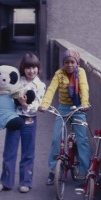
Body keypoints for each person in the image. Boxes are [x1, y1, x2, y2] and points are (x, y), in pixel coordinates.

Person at [0, 53, 46, 193]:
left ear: (38, 68)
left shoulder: (40, 85)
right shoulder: (16, 81)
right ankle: (6, 182)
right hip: (14, 119)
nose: (31, 70)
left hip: (30, 120)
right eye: (28, 67)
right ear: (23, 68)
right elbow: (6, 93)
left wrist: (24, 104)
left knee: (28, 153)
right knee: (9, 152)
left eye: (34, 67)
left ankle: (25, 182)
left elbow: (36, 105)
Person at [38, 48, 91, 185]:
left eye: (72, 62)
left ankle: (84, 171)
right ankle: (53, 171)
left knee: (82, 140)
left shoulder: (81, 73)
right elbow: (51, 90)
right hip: (62, 109)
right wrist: (44, 104)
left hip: (79, 108)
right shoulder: (59, 74)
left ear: (77, 63)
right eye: (66, 62)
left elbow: (84, 87)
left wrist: (85, 103)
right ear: (63, 63)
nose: (69, 65)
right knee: (57, 138)